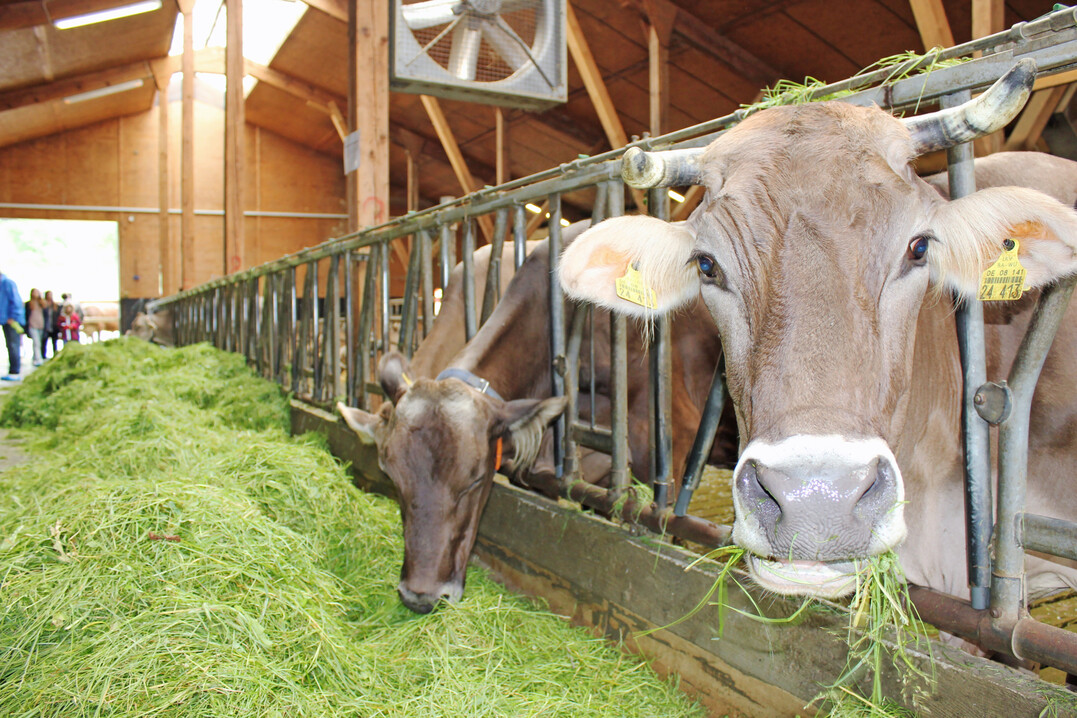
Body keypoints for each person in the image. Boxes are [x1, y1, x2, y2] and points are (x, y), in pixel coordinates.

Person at [0, 270, 25, 381]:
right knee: (10, 345)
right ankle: (13, 370)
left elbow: (16, 301)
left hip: (11, 320)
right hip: (5, 319)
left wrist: (12, 317)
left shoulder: (8, 283)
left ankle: (15, 372)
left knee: (13, 345)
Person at [24, 288, 46, 367]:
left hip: (41, 325)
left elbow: (46, 316)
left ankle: (35, 357)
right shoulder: (29, 304)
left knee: (39, 342)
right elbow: (26, 315)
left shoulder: (42, 304)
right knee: (36, 342)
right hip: (32, 325)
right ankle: (38, 359)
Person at [42, 290, 60, 359]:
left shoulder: (55, 305)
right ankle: (43, 356)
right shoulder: (43, 305)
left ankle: (55, 355)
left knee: (54, 342)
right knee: (44, 342)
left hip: (54, 326)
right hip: (45, 326)